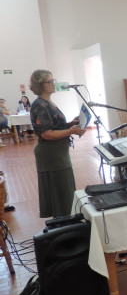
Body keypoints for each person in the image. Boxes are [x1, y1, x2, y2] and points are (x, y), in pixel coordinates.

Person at [29, 69, 86, 218]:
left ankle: (66, 223)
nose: (54, 84)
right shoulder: (40, 105)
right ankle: (64, 226)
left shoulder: (47, 102)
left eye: (53, 80)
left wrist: (70, 124)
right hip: (51, 154)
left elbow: (54, 127)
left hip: (57, 152)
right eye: (50, 81)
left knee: (65, 190)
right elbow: (47, 133)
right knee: (61, 192)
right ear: (40, 85)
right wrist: (70, 131)